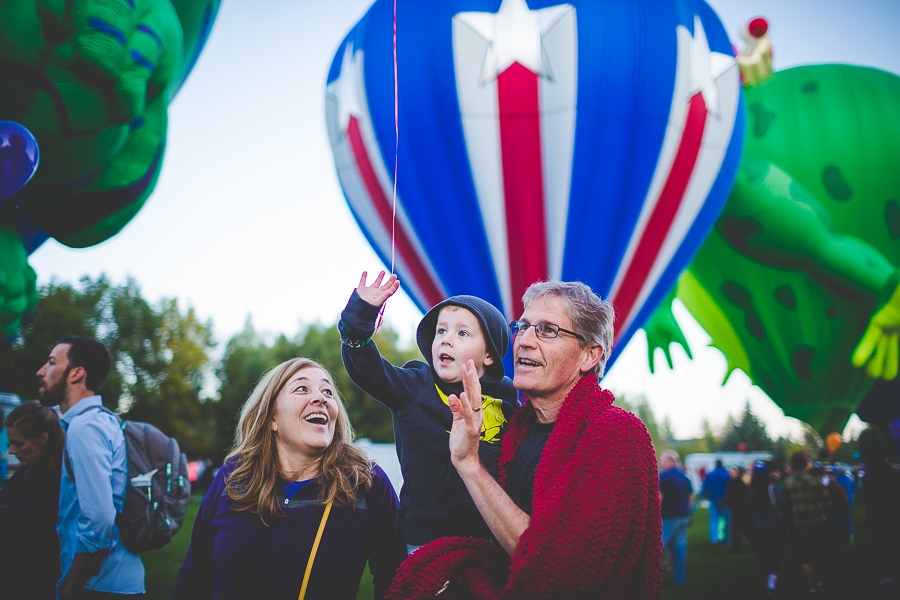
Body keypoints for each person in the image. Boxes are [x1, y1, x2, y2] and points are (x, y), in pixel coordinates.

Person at [386, 280, 662, 599]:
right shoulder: (514, 429)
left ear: (589, 355)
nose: (523, 341)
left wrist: (470, 465)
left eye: (547, 330)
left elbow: (562, 569)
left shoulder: (616, 434)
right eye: (523, 326)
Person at [172, 358, 406, 599]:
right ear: (272, 418)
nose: (321, 398)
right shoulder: (232, 478)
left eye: (327, 391)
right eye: (302, 388)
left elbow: (398, 579)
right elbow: (194, 576)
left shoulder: (367, 482)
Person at [339, 271, 516, 550]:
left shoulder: (509, 404)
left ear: (489, 355)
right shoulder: (415, 387)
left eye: (462, 333)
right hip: (426, 542)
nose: (446, 339)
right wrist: (359, 319)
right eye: (441, 331)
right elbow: (367, 368)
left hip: (493, 540)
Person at [36, 336, 145, 599]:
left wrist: (71, 585)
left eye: (51, 363)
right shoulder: (98, 421)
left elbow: (99, 519)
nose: (40, 372)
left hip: (99, 586)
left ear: (76, 373)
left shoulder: (85, 428)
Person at [0, 401, 66, 599]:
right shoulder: (27, 474)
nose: (11, 451)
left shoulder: (54, 484)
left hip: (33, 586)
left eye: (18, 444)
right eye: (9, 443)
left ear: (43, 439)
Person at [782, 452, 831, 595]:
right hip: (817, 523)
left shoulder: (787, 484)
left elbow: (786, 506)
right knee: (818, 553)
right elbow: (827, 503)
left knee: (805, 555)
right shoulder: (815, 482)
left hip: (798, 524)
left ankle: (810, 584)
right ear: (806, 464)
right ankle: (819, 581)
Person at [747, 461, 786, 596]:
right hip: (774, 526)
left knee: (763, 553)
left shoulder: (751, 491)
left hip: (758, 528)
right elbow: (782, 502)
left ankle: (766, 575)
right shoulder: (772, 487)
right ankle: (772, 579)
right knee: (774, 553)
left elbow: (748, 509)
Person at [659, 450, 693, 587]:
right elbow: (691, 497)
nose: (660, 463)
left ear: (667, 461)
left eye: (661, 460)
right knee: (679, 550)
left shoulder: (664, 476)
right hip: (683, 516)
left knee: (657, 548)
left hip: (668, 517)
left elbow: (659, 497)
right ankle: (680, 579)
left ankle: (649, 579)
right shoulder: (685, 476)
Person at [701, 459, 730, 544]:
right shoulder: (727, 474)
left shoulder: (710, 474)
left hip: (714, 499)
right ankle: (725, 537)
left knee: (714, 519)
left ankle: (714, 538)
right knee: (725, 519)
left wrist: (704, 495)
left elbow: (705, 485)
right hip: (725, 499)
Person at [725, 466, 748, 552]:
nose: (731, 473)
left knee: (738, 528)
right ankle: (736, 546)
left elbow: (741, 496)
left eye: (733, 472)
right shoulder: (731, 482)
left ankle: (737, 547)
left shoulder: (739, 483)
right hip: (733, 508)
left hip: (738, 509)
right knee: (735, 529)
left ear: (738, 473)